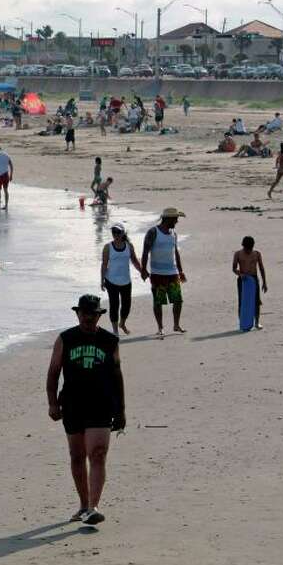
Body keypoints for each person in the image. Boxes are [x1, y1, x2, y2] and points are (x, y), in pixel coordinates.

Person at [46, 294, 125, 527]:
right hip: (72, 404)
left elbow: (117, 375)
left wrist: (121, 410)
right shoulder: (65, 339)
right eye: (84, 314)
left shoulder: (109, 341)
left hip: (101, 403)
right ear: (78, 313)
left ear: (99, 315)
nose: (88, 318)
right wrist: (52, 402)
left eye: (93, 314)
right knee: (77, 456)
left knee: (98, 453)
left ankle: (93, 507)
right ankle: (83, 504)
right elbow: (53, 372)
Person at [140, 208, 187, 339]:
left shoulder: (174, 233)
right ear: (168, 219)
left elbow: (176, 252)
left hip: (172, 272)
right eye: (175, 219)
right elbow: (145, 252)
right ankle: (160, 327)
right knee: (158, 302)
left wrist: (181, 271)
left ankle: (176, 325)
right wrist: (143, 269)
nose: (177, 221)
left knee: (178, 300)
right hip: (157, 274)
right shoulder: (153, 232)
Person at [101, 222, 144, 336]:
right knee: (114, 305)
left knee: (126, 305)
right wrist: (102, 280)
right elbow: (104, 264)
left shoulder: (129, 246)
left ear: (122, 233)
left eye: (118, 232)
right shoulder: (107, 247)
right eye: (113, 232)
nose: (115, 234)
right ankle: (115, 330)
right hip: (111, 281)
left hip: (126, 281)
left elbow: (134, 261)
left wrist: (142, 272)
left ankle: (122, 323)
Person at [232, 236, 269, 329]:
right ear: (243, 246)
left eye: (250, 249)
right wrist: (240, 274)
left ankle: (257, 322)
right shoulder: (238, 254)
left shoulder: (257, 254)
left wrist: (264, 282)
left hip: (253, 279)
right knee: (242, 301)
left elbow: (261, 268)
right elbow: (234, 268)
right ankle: (242, 322)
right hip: (243, 280)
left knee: (256, 301)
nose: (248, 251)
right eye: (246, 249)